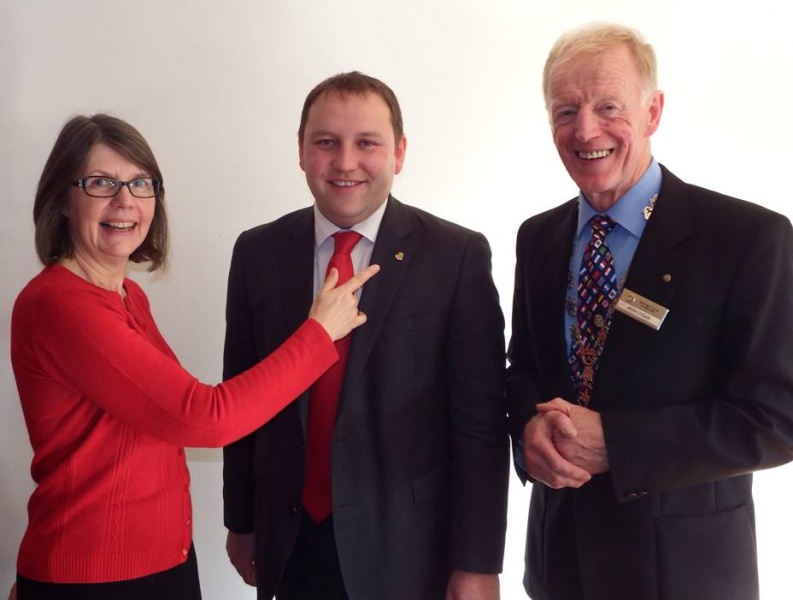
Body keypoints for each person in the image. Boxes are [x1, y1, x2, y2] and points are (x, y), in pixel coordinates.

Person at [10, 113, 379, 599]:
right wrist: (317, 334)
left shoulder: (126, 297)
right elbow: (204, 417)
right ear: (62, 198)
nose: (125, 201)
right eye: (101, 182)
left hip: (160, 562)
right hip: (98, 576)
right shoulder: (62, 304)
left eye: (140, 183)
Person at [506, 22, 793, 600]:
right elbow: (525, 370)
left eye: (608, 106)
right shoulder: (538, 237)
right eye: (565, 112)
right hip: (560, 566)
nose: (586, 129)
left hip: (685, 573)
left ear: (653, 111)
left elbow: (776, 419)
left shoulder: (747, 238)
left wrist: (619, 443)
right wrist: (529, 427)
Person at [222, 71, 509, 600]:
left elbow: (481, 427)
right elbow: (242, 397)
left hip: (409, 551)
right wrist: (240, 519)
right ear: (302, 152)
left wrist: (477, 562)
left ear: (399, 153)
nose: (346, 161)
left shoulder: (455, 256)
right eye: (326, 142)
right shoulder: (257, 252)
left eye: (367, 143)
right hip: (288, 543)